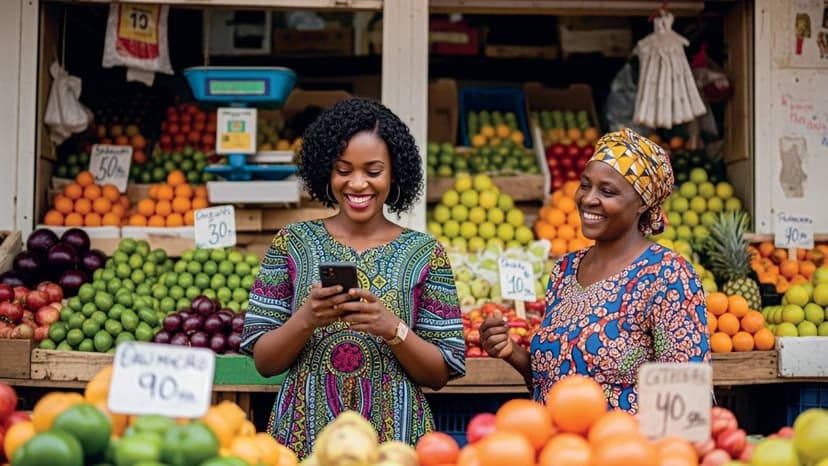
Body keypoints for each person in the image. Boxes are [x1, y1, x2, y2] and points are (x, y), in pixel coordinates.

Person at [240, 98, 465, 458]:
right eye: (343, 170)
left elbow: (441, 372)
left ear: (395, 174)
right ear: (326, 172)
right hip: (304, 439)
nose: (358, 183)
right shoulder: (291, 243)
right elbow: (265, 363)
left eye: (373, 171)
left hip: (395, 444)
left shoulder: (425, 252)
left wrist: (393, 329)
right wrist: (306, 319)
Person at [481, 127, 710, 412]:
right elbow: (552, 383)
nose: (588, 199)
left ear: (642, 202)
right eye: (585, 185)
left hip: (623, 451)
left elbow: (685, 400)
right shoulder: (564, 269)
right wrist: (512, 353)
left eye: (607, 191)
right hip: (556, 449)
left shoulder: (668, 276)